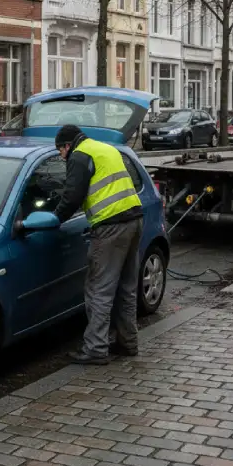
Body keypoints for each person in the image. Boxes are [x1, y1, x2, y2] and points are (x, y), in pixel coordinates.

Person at [52, 124, 144, 365]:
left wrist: (54, 219)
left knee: (99, 290)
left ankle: (95, 348)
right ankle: (128, 342)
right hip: (134, 220)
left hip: (110, 226)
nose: (61, 156)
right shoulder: (105, 149)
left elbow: (72, 195)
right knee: (126, 288)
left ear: (67, 145)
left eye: (60, 151)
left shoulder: (80, 155)